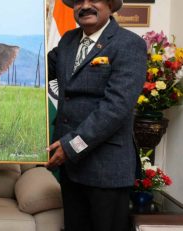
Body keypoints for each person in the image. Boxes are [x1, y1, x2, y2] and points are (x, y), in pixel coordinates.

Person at [46, 0, 147, 230]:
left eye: (94, 0)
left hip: (106, 170)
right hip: (71, 170)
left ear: (110, 5)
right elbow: (40, 67)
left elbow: (115, 108)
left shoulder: (129, 44)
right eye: (78, 1)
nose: (85, 5)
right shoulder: (68, 40)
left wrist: (71, 147)